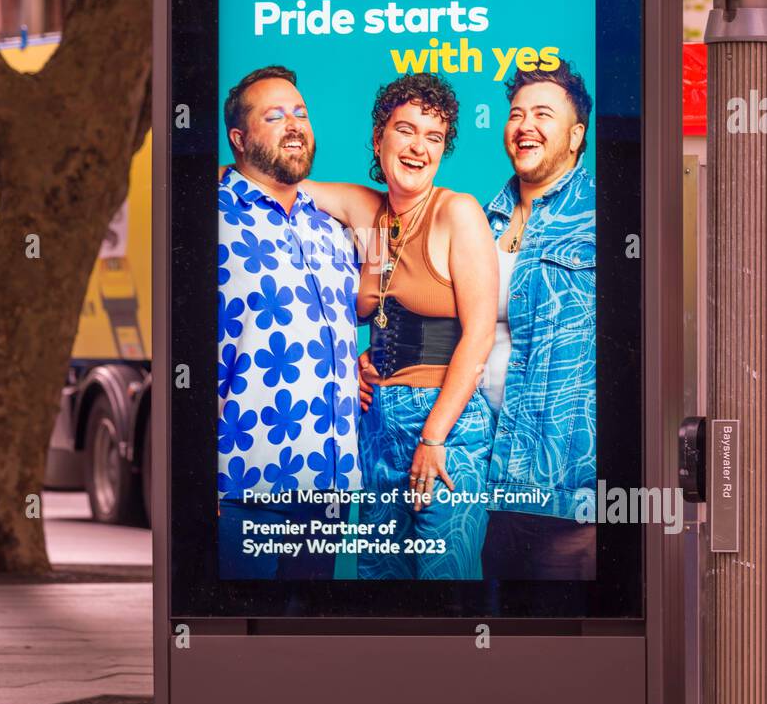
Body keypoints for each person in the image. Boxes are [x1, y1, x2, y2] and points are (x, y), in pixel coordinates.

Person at [299, 75, 498, 580]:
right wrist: (364, 364)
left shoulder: (458, 212)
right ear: (378, 139)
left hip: (445, 427)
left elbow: (479, 336)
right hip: (376, 426)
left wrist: (433, 438)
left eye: (434, 137)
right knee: (379, 580)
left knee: (443, 579)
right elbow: (274, 181)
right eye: (406, 130)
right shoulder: (366, 212)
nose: (418, 147)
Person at [218, 66, 361, 580]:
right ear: (239, 138)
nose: (294, 124)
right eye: (274, 116)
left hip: (328, 484)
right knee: (234, 645)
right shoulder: (209, 218)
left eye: (300, 113)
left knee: (306, 645)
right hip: (242, 483)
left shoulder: (331, 227)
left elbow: (356, 315)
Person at [479, 61, 597, 581]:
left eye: (542, 114)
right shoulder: (482, 219)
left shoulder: (606, 213)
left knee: (571, 651)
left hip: (569, 490)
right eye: (516, 114)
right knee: (495, 653)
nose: (525, 124)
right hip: (486, 480)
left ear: (575, 136)